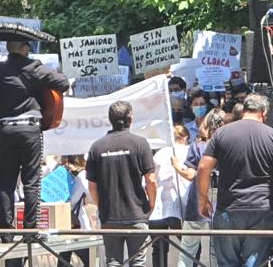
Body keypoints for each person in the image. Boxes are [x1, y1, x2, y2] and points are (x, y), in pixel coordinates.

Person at [0, 23, 69, 243]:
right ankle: (30, 232)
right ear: (22, 48)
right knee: (31, 180)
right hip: (30, 129)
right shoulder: (33, 67)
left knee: (6, 181)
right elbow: (63, 83)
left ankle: (6, 232)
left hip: (6, 130)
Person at [198, 94, 273, 266]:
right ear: (264, 112)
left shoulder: (222, 133)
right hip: (262, 210)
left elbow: (203, 167)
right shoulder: (271, 135)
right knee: (255, 263)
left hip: (228, 208)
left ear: (244, 108)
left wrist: (203, 199)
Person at [85, 100, 157, 267]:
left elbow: (92, 187)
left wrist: (102, 205)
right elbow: (151, 180)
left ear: (110, 119)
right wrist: (151, 205)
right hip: (137, 213)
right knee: (138, 263)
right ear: (130, 118)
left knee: (113, 262)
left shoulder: (96, 147)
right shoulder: (140, 143)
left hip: (109, 216)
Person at [172, 110, 225, 267]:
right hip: (221, 203)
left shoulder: (197, 146)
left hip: (197, 202)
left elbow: (190, 174)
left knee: (187, 250)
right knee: (217, 250)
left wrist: (177, 166)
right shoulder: (229, 146)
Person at [148, 124, 190, 267]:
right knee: (190, 247)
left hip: (158, 207)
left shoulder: (160, 153)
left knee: (158, 249)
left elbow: (150, 178)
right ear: (185, 137)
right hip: (181, 205)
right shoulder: (189, 150)